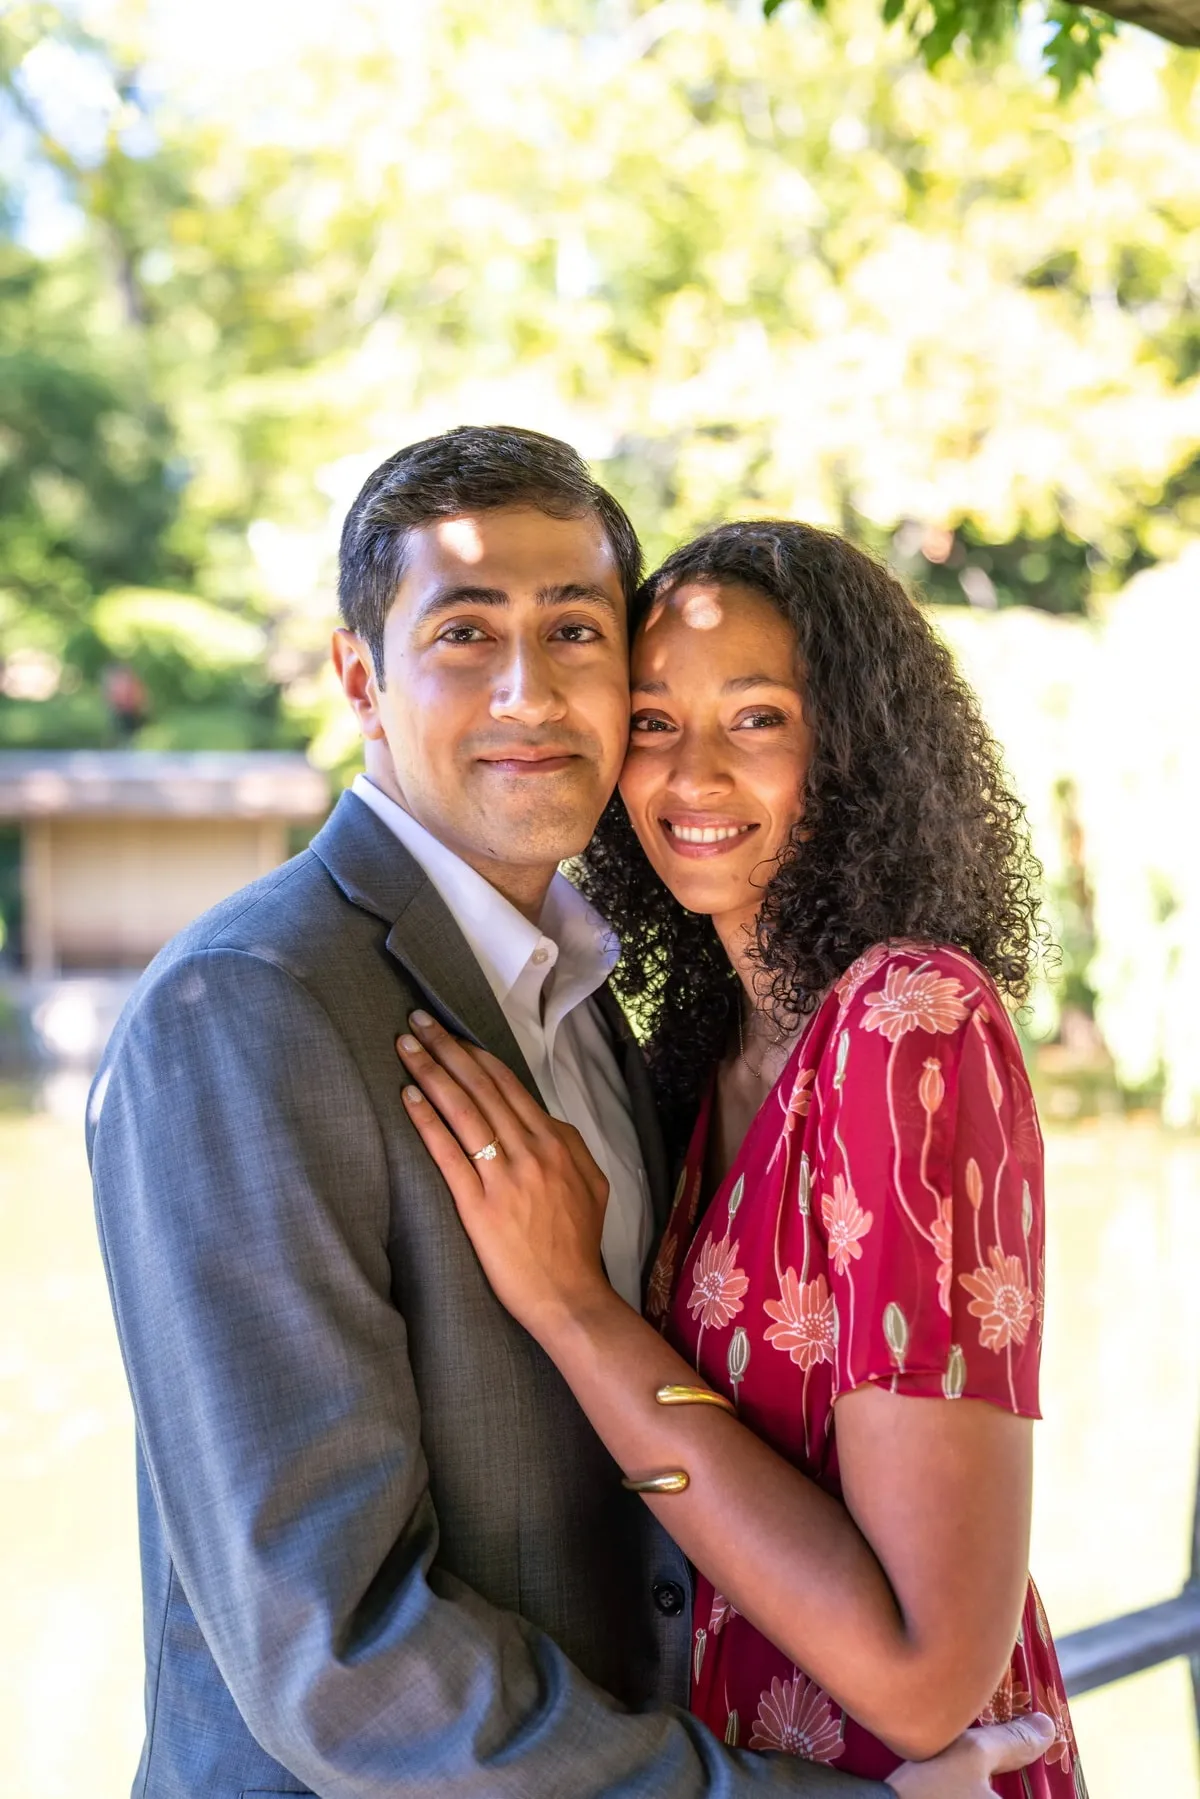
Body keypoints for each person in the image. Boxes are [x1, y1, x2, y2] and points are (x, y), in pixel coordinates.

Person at [89, 427, 1052, 1799]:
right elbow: (341, 1661)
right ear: (363, 678)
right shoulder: (248, 1010)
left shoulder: (609, 1004)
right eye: (467, 629)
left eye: (577, 629)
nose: (529, 691)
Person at [394, 518, 1082, 1793]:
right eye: (653, 722)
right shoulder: (711, 1049)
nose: (691, 774)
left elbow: (930, 1669)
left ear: (853, 749)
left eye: (756, 718)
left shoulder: (907, 1026)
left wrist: (574, 1310)